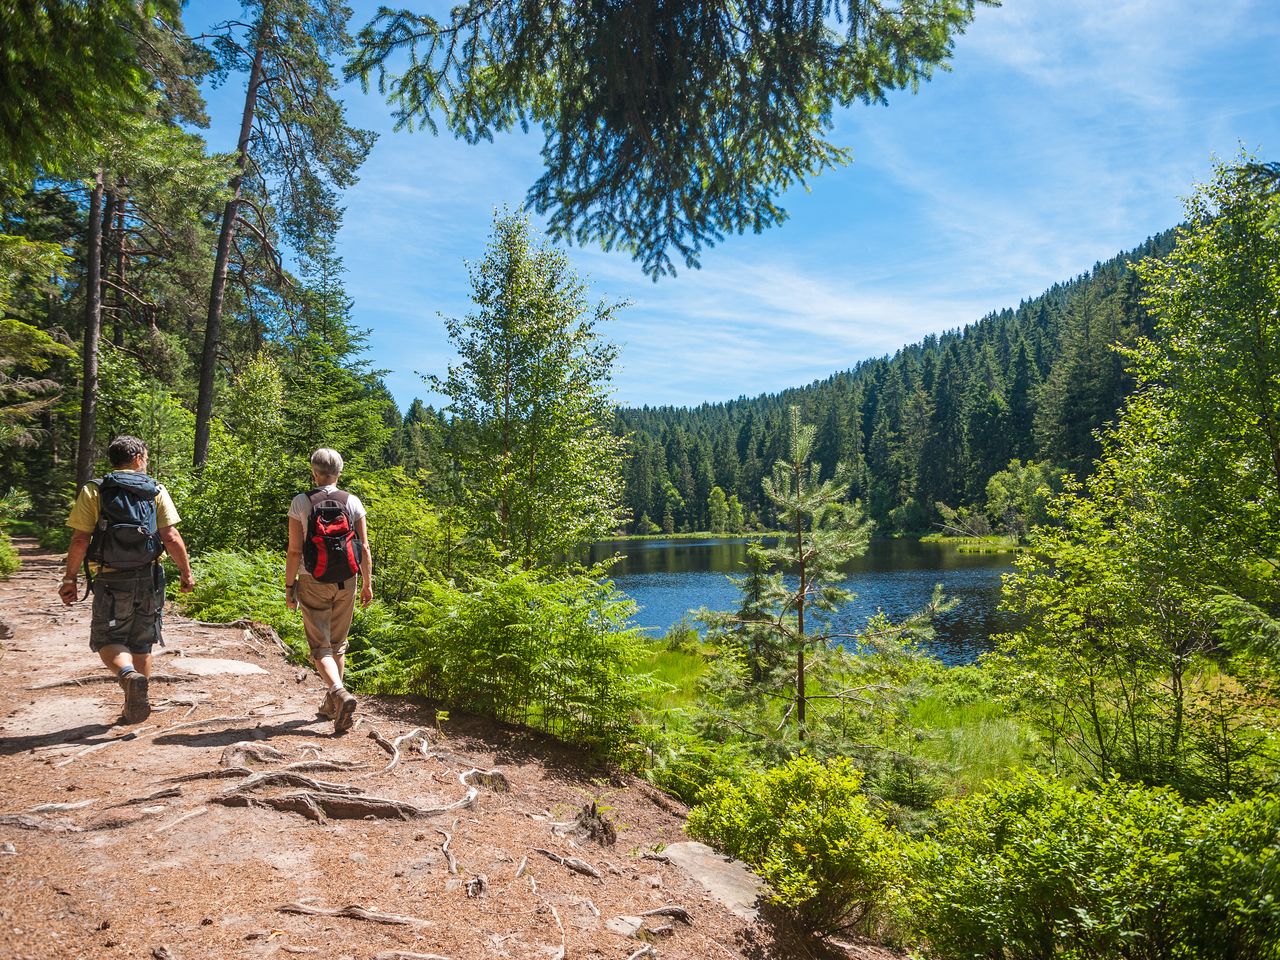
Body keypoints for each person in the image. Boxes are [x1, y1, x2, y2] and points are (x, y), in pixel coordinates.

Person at [58, 435, 195, 723]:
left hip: (110, 577)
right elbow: (170, 536)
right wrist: (186, 572)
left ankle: (127, 675)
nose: (146, 461)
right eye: (145, 457)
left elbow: (81, 538)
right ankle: (136, 704)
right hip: (149, 577)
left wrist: (70, 579)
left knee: (108, 637)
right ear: (137, 458)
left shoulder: (94, 491)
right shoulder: (155, 489)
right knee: (142, 640)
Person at [285, 448, 373, 734]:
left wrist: (290, 587)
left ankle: (338, 692)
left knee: (320, 647)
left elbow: (295, 550)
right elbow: (365, 548)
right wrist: (367, 583)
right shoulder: (353, 501)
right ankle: (332, 705)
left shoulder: (301, 502)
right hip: (347, 580)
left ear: (314, 472)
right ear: (339, 472)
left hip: (313, 579)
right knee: (339, 643)